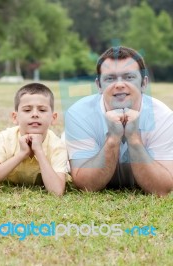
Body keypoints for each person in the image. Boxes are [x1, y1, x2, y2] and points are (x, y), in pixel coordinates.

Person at [64, 46, 173, 196]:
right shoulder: (78, 114)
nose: (120, 84)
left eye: (129, 77)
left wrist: (134, 138)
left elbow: (161, 189)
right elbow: (86, 185)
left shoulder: (163, 116)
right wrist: (113, 138)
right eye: (110, 78)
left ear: (144, 83)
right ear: (99, 86)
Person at [0, 83, 68, 196]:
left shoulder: (57, 145)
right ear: (15, 117)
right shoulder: (5, 138)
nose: (35, 114)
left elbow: (57, 192)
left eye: (42, 110)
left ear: (53, 118)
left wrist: (39, 152)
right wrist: (22, 154)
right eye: (27, 110)